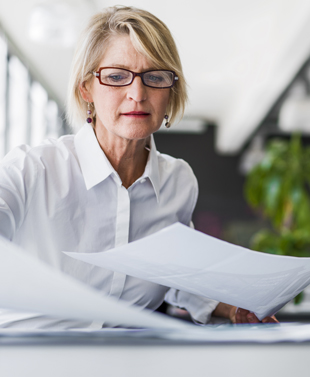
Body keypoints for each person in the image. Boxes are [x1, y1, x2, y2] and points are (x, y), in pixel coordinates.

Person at [0, 6, 277, 328]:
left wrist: (232, 307)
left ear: (171, 90)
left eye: (155, 77)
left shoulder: (177, 182)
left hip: (129, 359)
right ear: (86, 88)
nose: (137, 94)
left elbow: (172, 270)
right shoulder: (32, 169)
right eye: (117, 77)